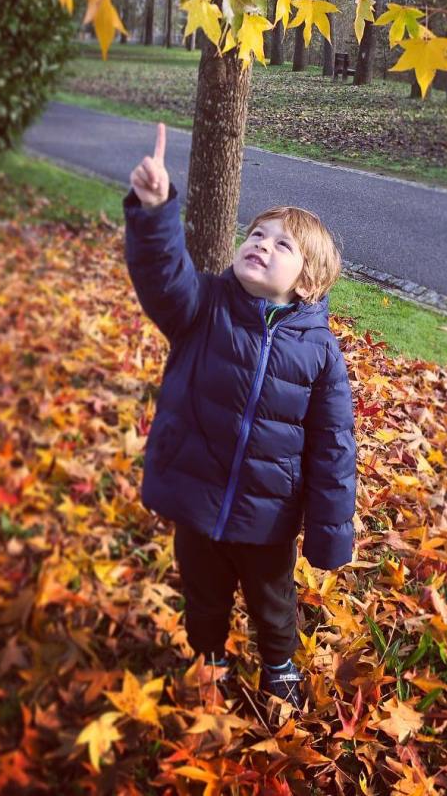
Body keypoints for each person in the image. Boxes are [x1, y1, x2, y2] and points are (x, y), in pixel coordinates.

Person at [123, 122, 357, 711]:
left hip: (267, 517)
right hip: (197, 500)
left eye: (282, 245)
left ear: (307, 282)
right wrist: (154, 212)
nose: (262, 245)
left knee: (272, 602)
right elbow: (163, 277)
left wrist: (329, 534)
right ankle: (210, 657)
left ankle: (278, 665)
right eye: (256, 234)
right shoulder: (204, 306)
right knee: (203, 595)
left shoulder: (319, 352)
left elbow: (333, 449)